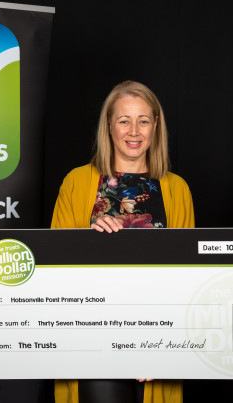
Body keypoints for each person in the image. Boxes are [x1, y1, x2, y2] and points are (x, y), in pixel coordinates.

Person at [51, 80, 194, 403]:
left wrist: (166, 345)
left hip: (157, 342)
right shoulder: (76, 182)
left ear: (156, 126)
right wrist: (87, 240)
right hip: (94, 342)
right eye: (124, 121)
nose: (134, 131)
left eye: (143, 121)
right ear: (108, 126)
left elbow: (188, 278)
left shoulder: (177, 189)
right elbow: (54, 272)